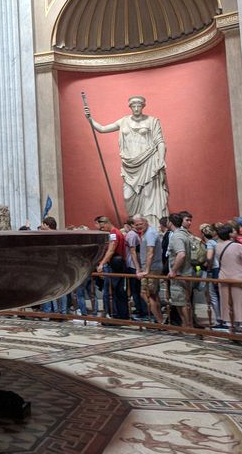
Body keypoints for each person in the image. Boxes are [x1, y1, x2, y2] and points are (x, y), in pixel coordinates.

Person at [85, 96, 168, 228]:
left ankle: (151, 227)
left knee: (148, 196)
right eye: (133, 106)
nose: (136, 108)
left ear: (143, 106)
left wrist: (161, 159)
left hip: (148, 161)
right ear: (130, 107)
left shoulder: (152, 121)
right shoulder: (123, 121)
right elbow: (102, 129)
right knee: (128, 196)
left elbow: (160, 142)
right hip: (130, 165)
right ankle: (134, 225)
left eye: (139, 106)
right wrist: (90, 119)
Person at [214, 224, 242, 332]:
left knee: (227, 303)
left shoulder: (217, 246)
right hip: (238, 277)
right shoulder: (239, 246)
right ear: (229, 234)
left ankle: (231, 328)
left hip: (223, 277)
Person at [95, 216, 128, 320]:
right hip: (120, 265)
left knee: (108, 291)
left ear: (105, 223)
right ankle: (123, 314)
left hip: (114, 265)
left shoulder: (113, 233)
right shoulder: (118, 232)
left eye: (102, 227)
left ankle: (112, 315)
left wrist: (102, 264)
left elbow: (111, 250)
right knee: (119, 291)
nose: (101, 229)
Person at [134, 215, 164, 324]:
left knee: (145, 293)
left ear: (146, 222)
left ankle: (160, 321)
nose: (138, 226)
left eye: (140, 224)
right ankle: (160, 320)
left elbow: (150, 253)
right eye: (136, 225)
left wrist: (146, 270)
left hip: (151, 268)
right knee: (152, 294)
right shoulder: (148, 233)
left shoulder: (150, 233)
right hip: (152, 267)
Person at [167, 212, 194, 328]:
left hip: (180, 274)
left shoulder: (177, 236)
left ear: (170, 223)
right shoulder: (184, 234)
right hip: (186, 272)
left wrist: (173, 270)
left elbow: (181, 255)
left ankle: (187, 326)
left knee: (181, 302)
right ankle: (187, 325)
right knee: (184, 301)